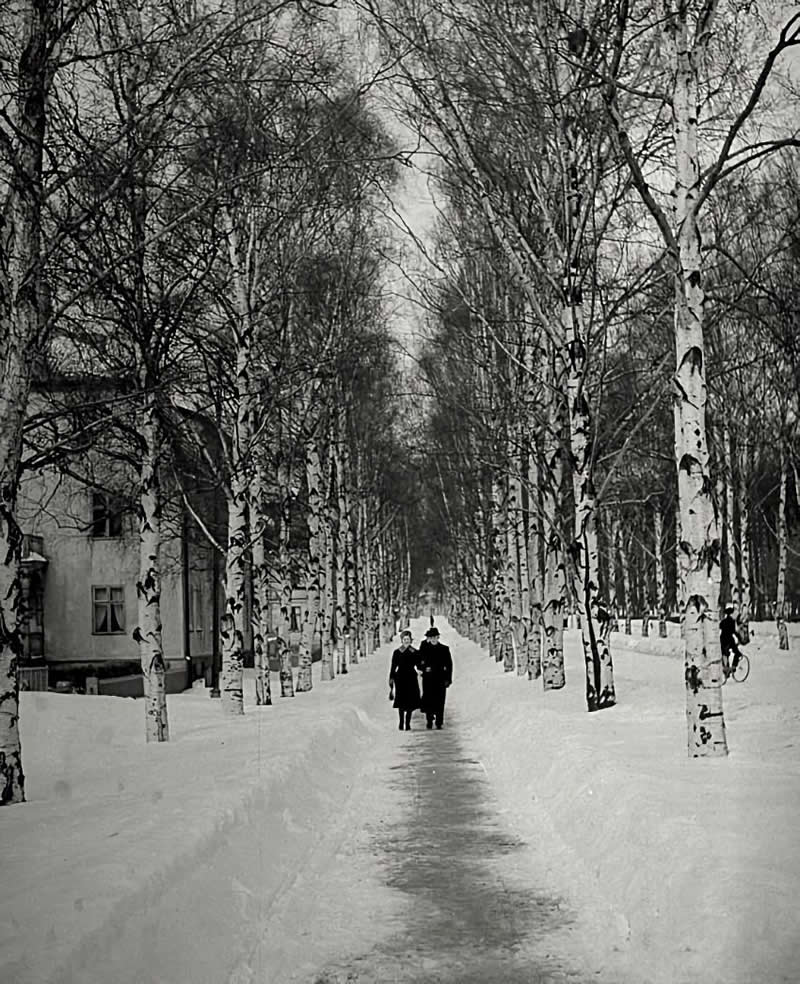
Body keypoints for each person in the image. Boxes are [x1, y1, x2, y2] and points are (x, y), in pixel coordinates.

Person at [417, 625, 453, 730]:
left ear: (438, 637)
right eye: (431, 637)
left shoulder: (444, 649)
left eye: (435, 637)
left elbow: (449, 665)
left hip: (440, 678)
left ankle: (439, 721)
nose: (433, 639)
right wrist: (423, 668)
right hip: (428, 678)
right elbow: (419, 661)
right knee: (428, 699)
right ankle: (429, 720)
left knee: (440, 700)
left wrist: (448, 679)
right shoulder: (424, 648)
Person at [389, 629, 421, 730]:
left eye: (408, 639)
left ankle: (407, 723)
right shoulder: (397, 652)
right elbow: (393, 666)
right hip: (400, 678)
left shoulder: (415, 652)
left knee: (410, 702)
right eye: (404, 639)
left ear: (411, 640)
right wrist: (391, 678)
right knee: (401, 701)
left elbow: (419, 664)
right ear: (402, 640)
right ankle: (401, 722)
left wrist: (422, 668)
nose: (406, 641)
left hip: (411, 677)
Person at [720, 604, 743, 678]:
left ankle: (726, 669)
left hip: (722, 640)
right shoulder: (732, 622)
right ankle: (733, 667)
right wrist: (739, 638)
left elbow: (720, 627)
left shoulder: (723, 621)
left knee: (725, 654)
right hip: (729, 640)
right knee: (737, 653)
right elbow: (734, 632)